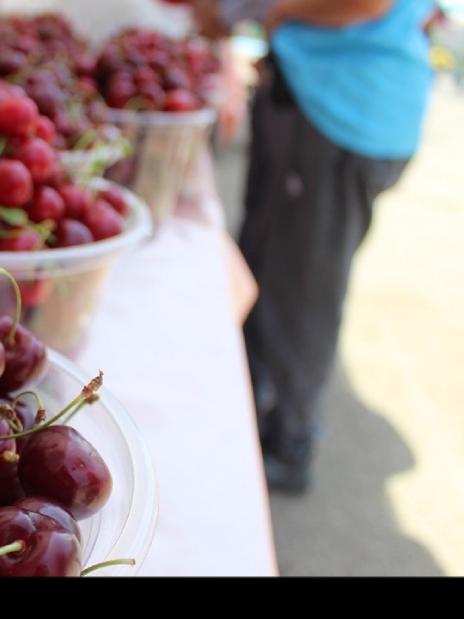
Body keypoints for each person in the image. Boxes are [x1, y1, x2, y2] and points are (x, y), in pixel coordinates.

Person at [191, 0, 437, 492]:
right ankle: (254, 412)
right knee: (267, 263)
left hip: (340, 113)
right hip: (316, 101)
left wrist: (279, 14)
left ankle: (289, 441)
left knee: (301, 291)